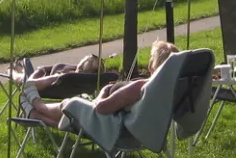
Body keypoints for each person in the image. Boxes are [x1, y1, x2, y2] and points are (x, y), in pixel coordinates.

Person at [18, 40, 178, 128]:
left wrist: (107, 89)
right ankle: (34, 114)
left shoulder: (140, 87)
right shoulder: (170, 89)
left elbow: (101, 107)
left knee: (70, 104)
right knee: (71, 120)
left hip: (107, 127)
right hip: (132, 130)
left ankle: (35, 105)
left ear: (151, 67)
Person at [12, 53, 101, 81]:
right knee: (26, 71)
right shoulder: (85, 78)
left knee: (23, 78)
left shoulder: (67, 76)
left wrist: (41, 70)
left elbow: (33, 83)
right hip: (44, 76)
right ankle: (21, 70)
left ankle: (12, 73)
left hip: (37, 84)